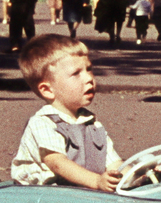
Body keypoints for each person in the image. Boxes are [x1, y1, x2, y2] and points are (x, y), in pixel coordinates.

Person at [11, 33, 123, 191]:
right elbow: (57, 162)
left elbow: (113, 163)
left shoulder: (92, 124)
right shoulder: (43, 122)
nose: (89, 78)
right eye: (76, 73)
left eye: (89, 69)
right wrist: (97, 181)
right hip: (42, 195)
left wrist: (136, 174)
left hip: (76, 193)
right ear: (48, 90)